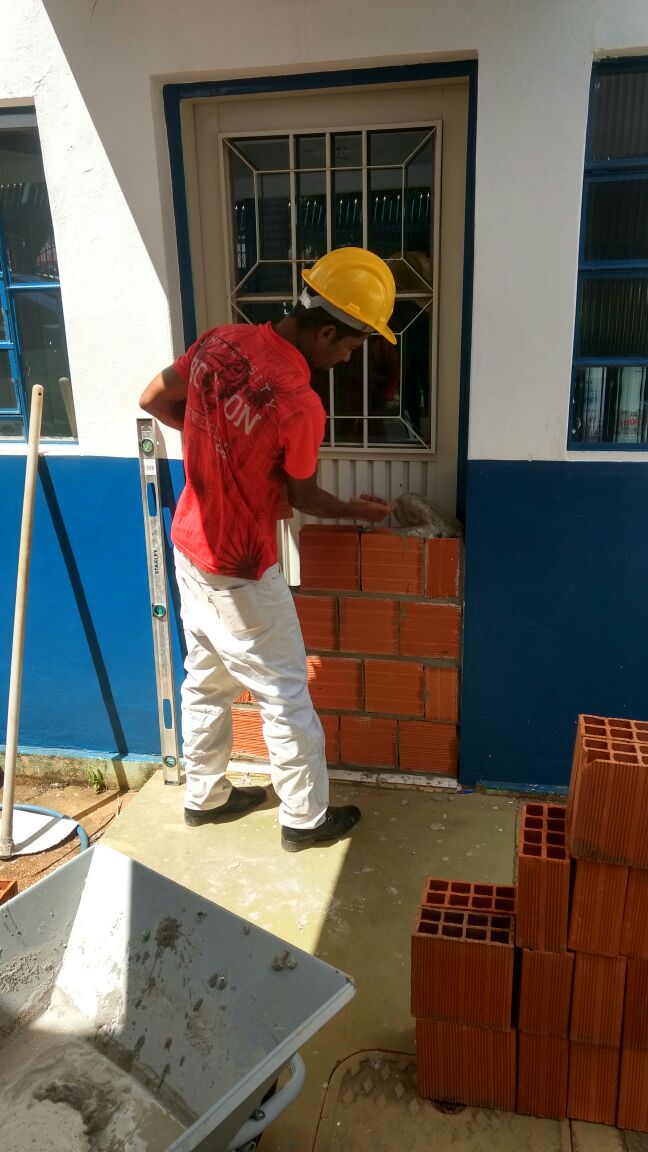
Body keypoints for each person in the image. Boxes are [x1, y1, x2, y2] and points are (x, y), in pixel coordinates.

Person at [139, 247, 396, 851]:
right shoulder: (299, 402)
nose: (349, 357)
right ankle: (305, 819)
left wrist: (211, 438)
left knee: (205, 681)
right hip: (242, 567)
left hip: (191, 547)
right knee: (285, 694)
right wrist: (354, 511)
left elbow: (152, 398)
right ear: (326, 331)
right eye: (351, 346)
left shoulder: (220, 341)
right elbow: (303, 494)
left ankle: (205, 796)